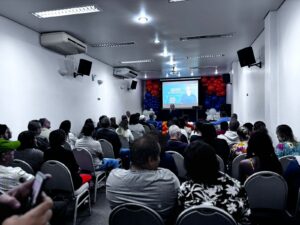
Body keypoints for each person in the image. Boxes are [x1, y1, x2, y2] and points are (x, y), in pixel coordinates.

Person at [106, 135, 180, 221]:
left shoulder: (113, 178)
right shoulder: (170, 179)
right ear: (151, 160)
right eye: (158, 156)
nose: (159, 159)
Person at [178, 141, 251, 225]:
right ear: (214, 160)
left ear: (188, 166)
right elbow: (246, 220)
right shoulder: (236, 186)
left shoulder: (184, 190)